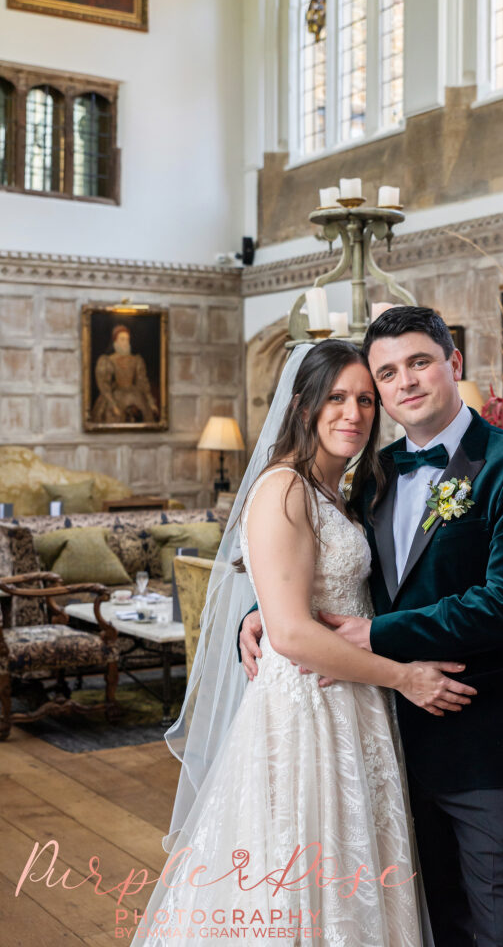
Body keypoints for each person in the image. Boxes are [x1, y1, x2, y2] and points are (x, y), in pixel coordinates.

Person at [240, 307, 503, 947]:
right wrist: (266, 613)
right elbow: (338, 576)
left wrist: (380, 638)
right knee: (423, 924)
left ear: (454, 364)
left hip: (487, 743)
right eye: (386, 373)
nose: (405, 382)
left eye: (419, 362)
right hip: (385, 741)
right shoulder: (374, 474)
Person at [136, 339, 476, 945]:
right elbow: (292, 632)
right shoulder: (284, 488)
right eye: (337, 398)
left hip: (356, 703)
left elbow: (323, 592)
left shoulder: (340, 493)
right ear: (304, 407)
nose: (354, 413)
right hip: (309, 710)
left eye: (366, 400)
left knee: (356, 874)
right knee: (304, 873)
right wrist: (406, 676)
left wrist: (261, 611)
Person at [92, 323, 159, 423]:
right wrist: (112, 404)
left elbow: (143, 382)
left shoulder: (136, 360)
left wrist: (150, 402)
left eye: (127, 339)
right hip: (115, 396)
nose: (125, 342)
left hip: (136, 396)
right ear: (115, 341)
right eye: (122, 339)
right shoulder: (108, 360)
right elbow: (104, 385)